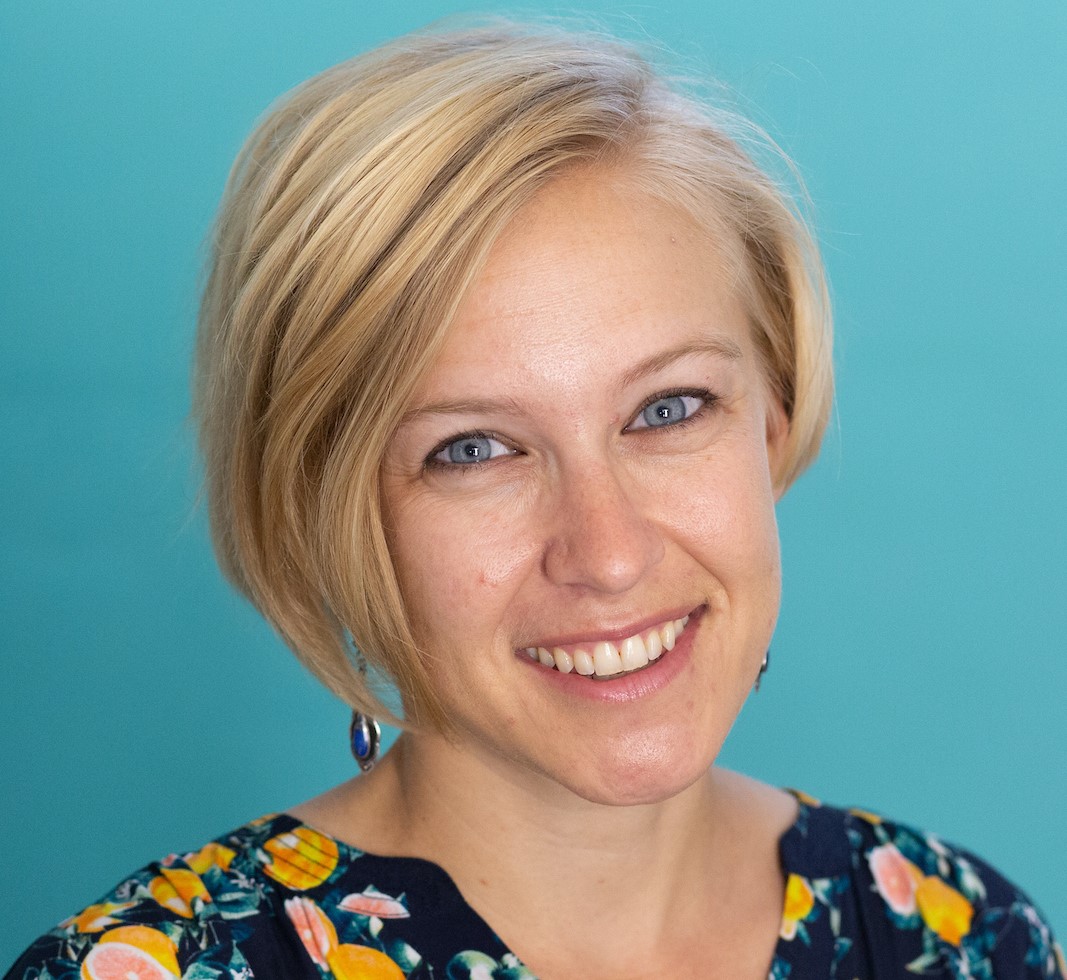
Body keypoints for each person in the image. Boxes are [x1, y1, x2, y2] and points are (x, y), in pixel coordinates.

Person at [6, 20, 1064, 980]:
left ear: (771, 423)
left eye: (666, 408)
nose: (605, 552)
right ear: (326, 514)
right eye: (472, 448)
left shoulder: (961, 935)